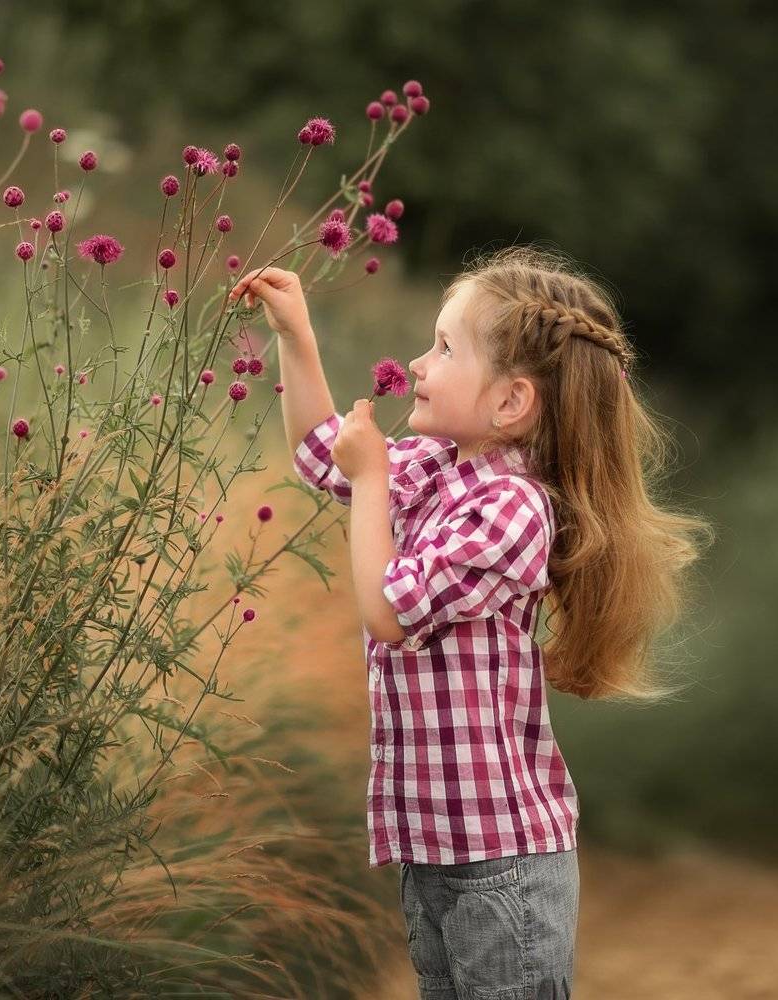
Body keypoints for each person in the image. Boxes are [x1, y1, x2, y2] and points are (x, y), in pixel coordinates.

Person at [227, 245, 711, 999]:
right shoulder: (436, 469)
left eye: (445, 348)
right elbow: (323, 456)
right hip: (435, 847)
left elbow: (390, 611)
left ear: (511, 402)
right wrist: (296, 334)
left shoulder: (512, 509)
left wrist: (371, 477)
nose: (417, 364)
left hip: (500, 861)